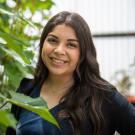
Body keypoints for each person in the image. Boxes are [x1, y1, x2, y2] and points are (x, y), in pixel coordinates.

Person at [6, 11, 135, 135]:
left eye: (71, 45)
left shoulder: (104, 97)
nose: (59, 50)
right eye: (53, 40)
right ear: (43, 43)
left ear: (83, 53)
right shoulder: (26, 90)